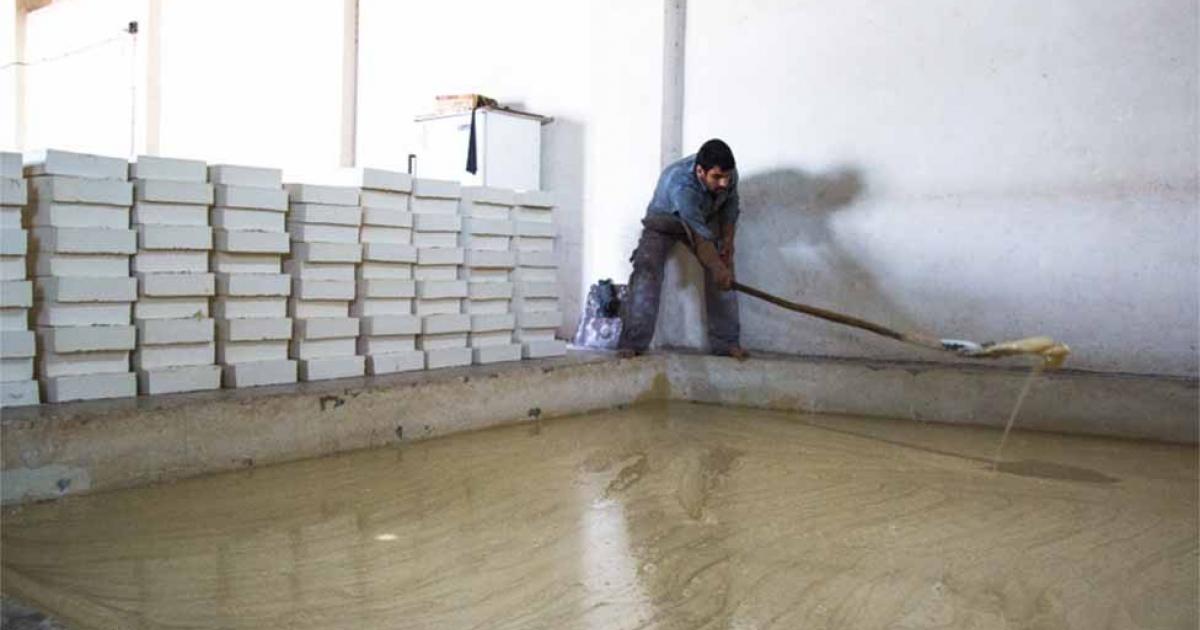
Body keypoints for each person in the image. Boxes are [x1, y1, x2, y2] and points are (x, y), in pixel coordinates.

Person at [617, 139, 748, 360]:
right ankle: (633, 342)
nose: (724, 183)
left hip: (702, 218)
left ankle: (726, 343)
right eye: (717, 178)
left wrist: (728, 243)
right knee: (646, 270)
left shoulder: (729, 176)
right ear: (699, 171)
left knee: (723, 267)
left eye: (727, 177)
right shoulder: (682, 186)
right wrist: (717, 267)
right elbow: (701, 239)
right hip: (664, 221)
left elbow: (730, 208)